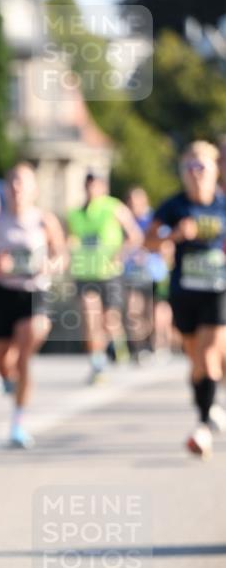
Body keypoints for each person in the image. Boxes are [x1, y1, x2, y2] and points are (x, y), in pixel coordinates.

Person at [0, 162, 66, 448]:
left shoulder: (45, 221)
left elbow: (62, 257)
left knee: (23, 355)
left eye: (23, 183)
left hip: (33, 294)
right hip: (1, 294)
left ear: (34, 189)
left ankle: (18, 421)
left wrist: (49, 264)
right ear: (5, 188)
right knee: (0, 362)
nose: (17, 188)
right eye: (12, 182)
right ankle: (5, 375)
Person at [145, 141, 226, 458]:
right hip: (184, 291)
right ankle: (209, 404)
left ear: (215, 170)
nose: (196, 174)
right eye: (190, 168)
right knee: (196, 360)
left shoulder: (222, 204)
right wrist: (175, 235)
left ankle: (203, 426)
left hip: (218, 290)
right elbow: (149, 242)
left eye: (202, 167)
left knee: (207, 355)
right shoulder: (173, 206)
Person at [67, 173, 143, 384]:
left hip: (109, 273)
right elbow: (70, 238)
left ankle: (118, 347)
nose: (92, 190)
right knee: (91, 319)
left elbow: (135, 235)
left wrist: (120, 253)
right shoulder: (76, 213)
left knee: (110, 320)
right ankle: (97, 364)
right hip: (84, 273)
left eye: (96, 186)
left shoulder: (114, 207)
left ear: (103, 187)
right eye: (89, 186)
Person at [122, 186, 173, 360]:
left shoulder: (155, 219)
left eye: (136, 201)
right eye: (130, 202)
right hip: (132, 273)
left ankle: (159, 345)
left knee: (155, 312)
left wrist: (149, 251)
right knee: (133, 310)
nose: (133, 205)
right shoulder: (124, 220)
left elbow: (166, 244)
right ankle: (139, 348)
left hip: (155, 273)